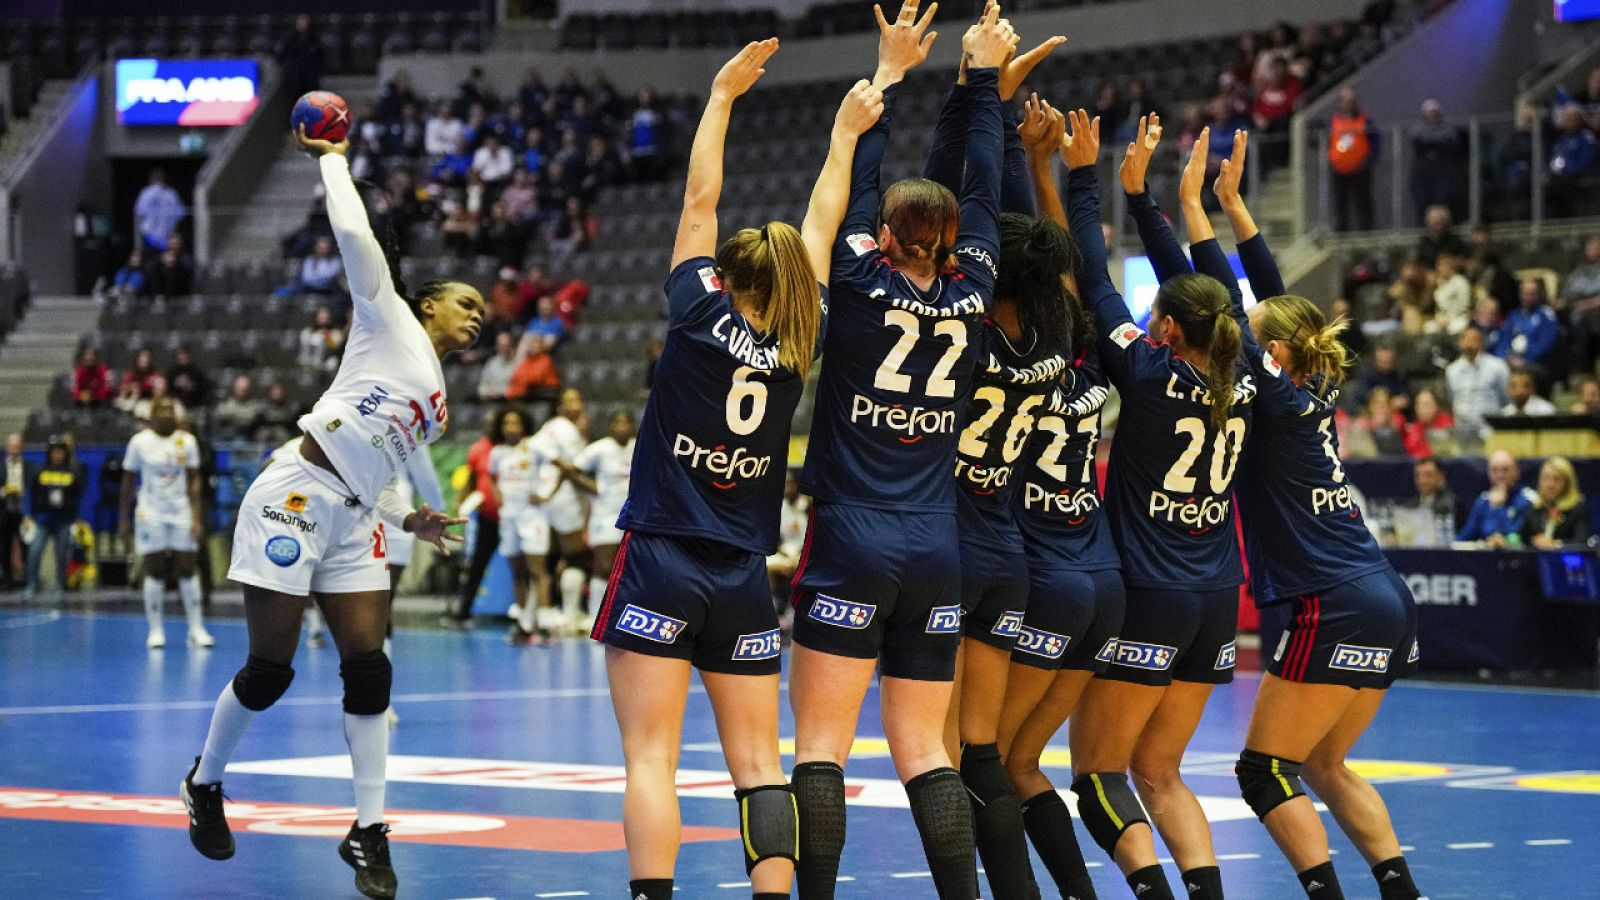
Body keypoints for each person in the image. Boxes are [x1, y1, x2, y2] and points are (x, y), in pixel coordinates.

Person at [589, 38, 862, 900]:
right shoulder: (797, 339)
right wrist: (845, 135)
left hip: (664, 554)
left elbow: (700, 195)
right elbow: (821, 222)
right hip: (743, 570)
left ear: (725, 276)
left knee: (651, 760)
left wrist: (719, 97)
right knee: (757, 766)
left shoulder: (696, 310)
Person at [179, 122, 480, 900]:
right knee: (271, 670)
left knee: (370, 666)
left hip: (357, 518)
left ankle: (368, 830)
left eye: (482, 310)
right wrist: (334, 160)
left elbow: (386, 460)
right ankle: (205, 783)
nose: (477, 315)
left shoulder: (438, 401)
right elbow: (353, 231)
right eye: (465, 303)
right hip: (294, 497)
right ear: (427, 303)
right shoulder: (387, 318)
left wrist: (412, 513)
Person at [787, 9, 1011, 898]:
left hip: (852, 536)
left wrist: (888, 70)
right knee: (925, 746)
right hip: (936, 545)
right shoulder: (976, 285)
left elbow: (862, 162)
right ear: (953, 240)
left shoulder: (856, 271)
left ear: (885, 235)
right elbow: (987, 188)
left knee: (819, 749)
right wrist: (980, 80)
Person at [1212, 131, 1425, 900]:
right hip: (1382, 595)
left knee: (1264, 769)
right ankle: (1404, 893)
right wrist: (1236, 207)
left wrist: (1197, 222)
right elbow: (1274, 302)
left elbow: (1224, 295)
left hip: (1328, 599)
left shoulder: (1268, 391)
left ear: (1268, 348)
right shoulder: (1316, 382)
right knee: (1325, 766)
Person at [1063, 115, 1250, 900]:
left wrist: (1086, 180)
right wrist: (1145, 201)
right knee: (1160, 769)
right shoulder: (1246, 376)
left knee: (1098, 776)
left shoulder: (1143, 370)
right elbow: (1209, 299)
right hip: (1218, 599)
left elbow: (1095, 278)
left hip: (1151, 596)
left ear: (1167, 329)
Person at [924, 66, 1072, 900]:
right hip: (1005, 552)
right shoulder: (1054, 338)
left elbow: (959, 211)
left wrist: (978, 99)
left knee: (934, 754)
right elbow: (1040, 250)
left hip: (942, 545)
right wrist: (1024, 147)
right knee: (983, 752)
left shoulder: (962, 332)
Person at [994, 103, 1121, 900]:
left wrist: (1014, 148)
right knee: (1020, 763)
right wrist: (1052, 170)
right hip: (1105, 581)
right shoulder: (1094, 362)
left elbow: (1037, 271)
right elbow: (1069, 271)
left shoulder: (1010, 360)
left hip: (1044, 577)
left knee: (981, 764)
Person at [120, 397, 211, 648]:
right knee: (156, 570)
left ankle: (196, 628)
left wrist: (196, 517)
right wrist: (124, 517)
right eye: (162, 411)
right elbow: (128, 481)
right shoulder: (140, 442)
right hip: (151, 513)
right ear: (152, 416)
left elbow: (194, 480)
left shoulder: (187, 441)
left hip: (180, 511)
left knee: (187, 568)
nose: (167, 416)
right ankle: (156, 630)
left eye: (172, 411)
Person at [560, 410, 635, 636]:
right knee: (604, 567)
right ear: (610, 426)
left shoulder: (638, 446)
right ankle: (596, 618)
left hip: (632, 515)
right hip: (604, 514)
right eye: (617, 422)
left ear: (632, 426)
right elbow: (572, 471)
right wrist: (595, 490)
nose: (621, 427)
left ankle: (619, 619)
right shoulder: (600, 448)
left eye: (626, 422)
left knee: (627, 568)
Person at [495, 409, 562, 645]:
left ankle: (544, 624)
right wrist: (500, 501)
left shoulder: (534, 446)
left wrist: (546, 495)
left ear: (524, 425)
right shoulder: (498, 453)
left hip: (532, 516)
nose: (510, 427)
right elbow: (493, 479)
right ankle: (524, 624)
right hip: (509, 517)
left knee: (537, 570)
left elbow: (563, 467)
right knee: (517, 572)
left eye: (515, 422)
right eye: (506, 422)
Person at [443, 409, 515, 628]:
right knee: (477, 565)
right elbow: (473, 480)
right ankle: (464, 612)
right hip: (487, 517)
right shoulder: (478, 450)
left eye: (495, 422)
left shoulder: (514, 450)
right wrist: (461, 502)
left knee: (522, 566)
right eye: (488, 423)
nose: (491, 426)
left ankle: (526, 617)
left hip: (514, 517)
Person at [23, 437, 82, 603]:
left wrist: (75, 517)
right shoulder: (40, 471)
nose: (57, 455)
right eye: (54, 452)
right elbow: (32, 494)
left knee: (62, 555)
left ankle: (60, 587)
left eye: (60, 452)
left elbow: (77, 496)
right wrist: (30, 514)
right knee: (35, 551)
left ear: (65, 454)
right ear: (49, 454)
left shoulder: (71, 472)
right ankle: (31, 585)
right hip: (43, 520)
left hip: (63, 521)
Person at [1457, 450, 1537, 546]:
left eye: (1505, 470)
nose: (1500, 476)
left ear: (1516, 472)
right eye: (1494, 470)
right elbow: (1463, 538)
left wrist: (1498, 508)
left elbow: (1517, 538)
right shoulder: (1483, 501)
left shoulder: (1528, 499)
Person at [1492, 278, 1559, 386]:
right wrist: (1504, 356)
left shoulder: (1546, 315)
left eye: (1532, 294)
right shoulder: (1514, 315)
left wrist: (1524, 359)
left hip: (1536, 363)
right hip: (1510, 359)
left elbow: (1546, 345)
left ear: (1539, 294)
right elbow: (1503, 339)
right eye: (1524, 293)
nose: (1527, 297)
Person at [1327, 87, 1377, 231]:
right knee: (1340, 204)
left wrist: (1368, 161)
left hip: (1360, 169)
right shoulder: (1334, 122)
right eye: (1346, 100)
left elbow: (1375, 143)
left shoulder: (1365, 121)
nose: (1349, 103)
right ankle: (1341, 232)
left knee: (1363, 203)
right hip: (1339, 170)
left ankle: (1367, 231)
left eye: (1352, 100)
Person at [1445, 324, 1509, 432]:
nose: (1469, 344)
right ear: (1460, 343)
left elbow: (1506, 398)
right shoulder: (1452, 370)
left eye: (1474, 340)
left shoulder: (1497, 366)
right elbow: (1451, 398)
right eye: (1466, 339)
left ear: (1482, 343)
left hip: (1489, 428)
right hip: (1462, 429)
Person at [1521, 456, 1592, 548]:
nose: (1550, 485)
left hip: (1566, 560)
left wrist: (1556, 544)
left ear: (1567, 483)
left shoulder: (1577, 509)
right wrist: (1534, 541)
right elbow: (1521, 539)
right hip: (1536, 560)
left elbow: (1582, 542)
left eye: (1556, 479)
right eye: (1546, 479)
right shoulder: (1533, 508)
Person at [1410, 100, 1463, 223]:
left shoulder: (1447, 129)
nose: (1432, 115)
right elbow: (1417, 143)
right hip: (1423, 172)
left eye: (1434, 112)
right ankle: (1424, 230)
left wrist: (1433, 144)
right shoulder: (1418, 129)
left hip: (1442, 171)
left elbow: (1452, 143)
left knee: (1441, 201)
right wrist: (1437, 144)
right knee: (1423, 202)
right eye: (1430, 112)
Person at [135, 168, 185, 252]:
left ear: (151, 180)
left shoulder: (146, 193)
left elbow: (139, 212)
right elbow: (180, 214)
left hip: (150, 235)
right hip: (167, 235)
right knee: (165, 260)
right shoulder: (172, 193)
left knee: (150, 260)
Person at [1400, 387, 1454, 458]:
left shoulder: (1447, 423)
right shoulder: (1415, 428)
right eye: (1418, 404)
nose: (1422, 408)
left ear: (1436, 406)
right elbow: (1408, 454)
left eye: (1426, 404)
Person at [1, 434, 25, 589]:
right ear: (6, 447)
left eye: (17, 446)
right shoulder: (1, 466)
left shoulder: (28, 466)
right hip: (4, 510)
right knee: (4, 544)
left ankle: (25, 576)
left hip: (23, 511)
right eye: (11, 446)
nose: (14, 449)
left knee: (26, 544)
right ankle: (7, 577)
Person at [210, 375, 264, 443]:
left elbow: (250, 419)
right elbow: (219, 415)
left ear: (249, 389)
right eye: (239, 388)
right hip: (225, 437)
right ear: (234, 388)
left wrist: (231, 417)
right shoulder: (226, 404)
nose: (242, 391)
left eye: (245, 388)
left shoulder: (255, 405)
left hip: (246, 438)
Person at [166, 347, 213, 411]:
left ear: (189, 357)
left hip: (195, 405)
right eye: (180, 355)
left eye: (184, 355)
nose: (182, 357)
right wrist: (175, 384)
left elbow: (206, 387)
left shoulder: (197, 371)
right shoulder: (172, 372)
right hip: (176, 406)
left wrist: (191, 386)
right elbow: (166, 388)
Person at [477, 331, 519, 400]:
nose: (504, 349)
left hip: (511, 401)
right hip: (491, 401)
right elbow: (483, 384)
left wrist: (500, 394)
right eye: (501, 346)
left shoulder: (519, 363)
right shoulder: (491, 362)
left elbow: (519, 387)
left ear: (512, 345)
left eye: (507, 345)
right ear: (497, 346)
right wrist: (486, 393)